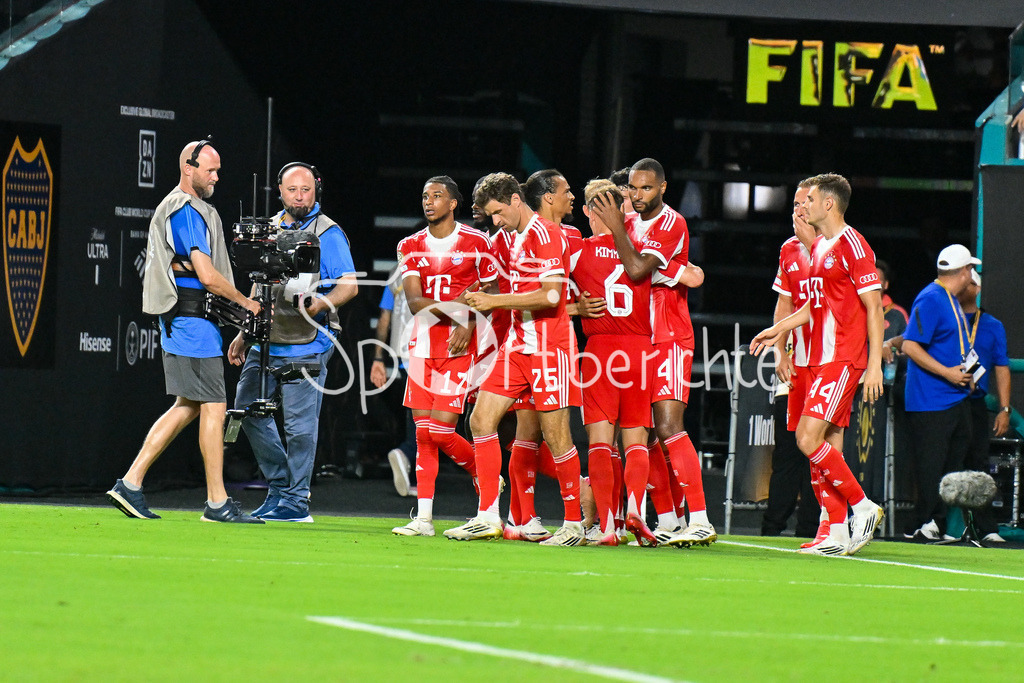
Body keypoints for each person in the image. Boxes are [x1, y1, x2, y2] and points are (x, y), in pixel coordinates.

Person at [106, 140, 263, 523]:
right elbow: (208, 277)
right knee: (213, 406)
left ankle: (130, 483)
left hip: (192, 322)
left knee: (188, 406)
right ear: (188, 169)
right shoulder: (186, 210)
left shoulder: (196, 209)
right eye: (210, 170)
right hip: (191, 321)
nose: (216, 177)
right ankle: (216, 501)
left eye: (218, 170)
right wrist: (247, 304)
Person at [750, 173, 885, 556]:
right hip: (812, 359)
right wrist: (777, 333)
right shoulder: (821, 247)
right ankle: (836, 530)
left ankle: (862, 506)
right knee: (819, 444)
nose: (800, 206)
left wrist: (873, 365)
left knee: (808, 439)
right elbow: (812, 306)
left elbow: (874, 308)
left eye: (807, 200)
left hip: (841, 356)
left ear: (827, 203)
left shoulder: (853, 245)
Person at [455, 172, 585, 546]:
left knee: (557, 437)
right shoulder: (505, 239)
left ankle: (573, 524)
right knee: (481, 420)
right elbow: (498, 279)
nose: (495, 221)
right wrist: (482, 289)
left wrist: (493, 301)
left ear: (515, 200)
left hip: (549, 347)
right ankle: (486, 516)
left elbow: (550, 297)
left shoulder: (547, 234)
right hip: (517, 345)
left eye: (497, 212)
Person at [591, 158, 715, 548]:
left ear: (662, 187)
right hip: (637, 341)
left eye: (646, 188)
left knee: (668, 426)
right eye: (633, 188)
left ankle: (700, 518)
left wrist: (619, 233)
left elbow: (636, 269)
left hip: (670, 338)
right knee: (644, 439)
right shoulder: (625, 225)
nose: (638, 195)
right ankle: (668, 518)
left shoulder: (671, 223)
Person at [227, 162, 358, 522]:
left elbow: (350, 284)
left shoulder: (326, 232)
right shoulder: (269, 227)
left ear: (316, 190)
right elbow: (258, 284)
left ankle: (296, 501)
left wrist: (318, 305)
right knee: (247, 410)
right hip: (266, 337)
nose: (300, 197)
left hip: (309, 341)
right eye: (292, 190)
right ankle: (283, 488)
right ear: (280, 191)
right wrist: (243, 332)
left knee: (299, 425)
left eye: (306, 190)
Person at [390, 176, 496, 537]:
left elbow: (493, 290)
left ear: (454, 203)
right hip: (422, 345)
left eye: (437, 195)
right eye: (424, 196)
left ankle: (485, 474)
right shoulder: (410, 244)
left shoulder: (477, 242)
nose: (429, 201)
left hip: (458, 346)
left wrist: (470, 320)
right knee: (423, 435)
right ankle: (423, 519)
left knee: (440, 429)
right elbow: (416, 304)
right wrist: (462, 308)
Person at [761, 180, 821, 541]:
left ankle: (815, 527)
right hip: (794, 366)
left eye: (805, 203)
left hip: (829, 362)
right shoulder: (788, 249)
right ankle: (771, 528)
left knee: (819, 449)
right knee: (786, 450)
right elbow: (785, 304)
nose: (798, 209)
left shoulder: (839, 247)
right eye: (795, 203)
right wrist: (779, 350)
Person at [960, 270, 1011, 542]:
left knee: (979, 463)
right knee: (944, 460)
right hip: (946, 401)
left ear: (977, 288)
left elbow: (1002, 367)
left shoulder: (991, 325)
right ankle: (935, 523)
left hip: (976, 404)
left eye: (968, 281)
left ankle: (986, 527)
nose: (962, 285)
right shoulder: (947, 316)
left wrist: (1004, 409)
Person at [372, 267, 417, 498]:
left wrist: (378, 358)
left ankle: (409, 462)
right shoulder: (439, 264)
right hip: (428, 349)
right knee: (427, 417)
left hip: (404, 354)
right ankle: (406, 454)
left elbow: (384, 318)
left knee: (417, 414)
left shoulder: (395, 272)